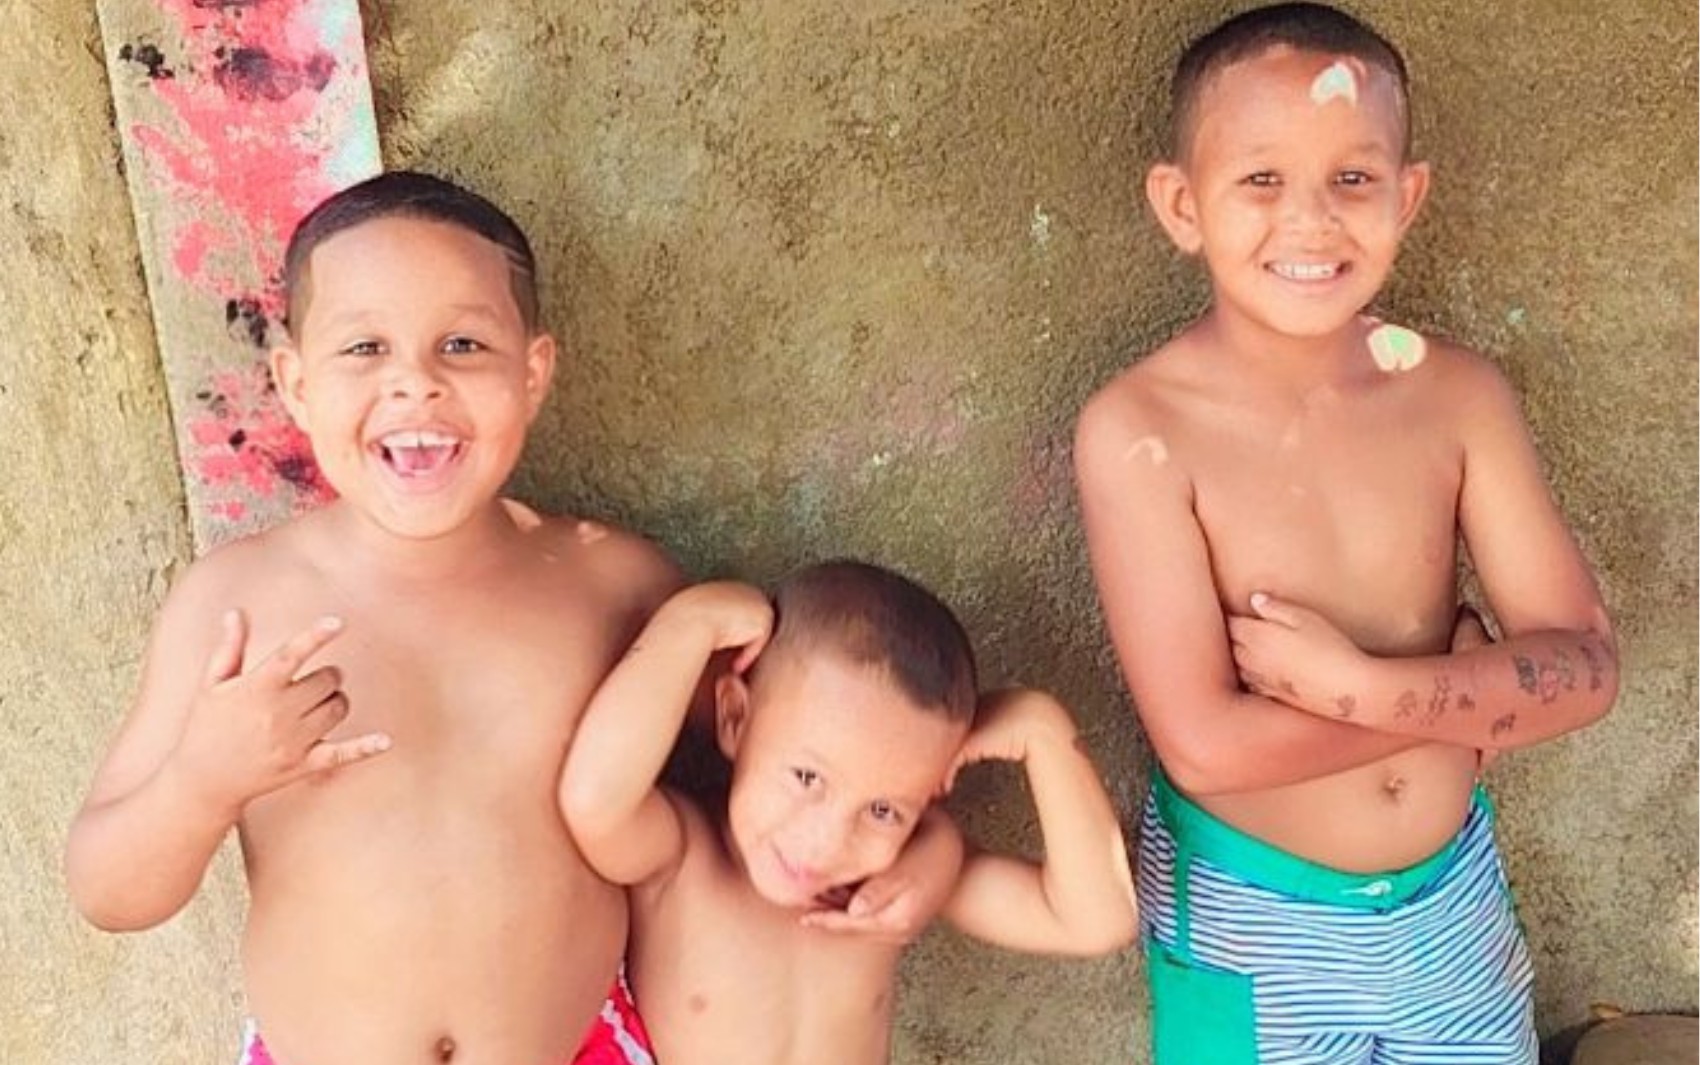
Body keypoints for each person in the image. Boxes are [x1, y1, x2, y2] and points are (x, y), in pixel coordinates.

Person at [1073, 4, 1619, 1063]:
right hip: (1250, 918)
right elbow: (1205, 748)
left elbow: (1587, 668)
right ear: (1181, 205)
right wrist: (1462, 702)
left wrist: (1360, 689)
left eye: (1353, 178)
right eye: (1260, 180)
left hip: (1448, 908)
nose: (1311, 221)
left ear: (1406, 196)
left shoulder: (1457, 398)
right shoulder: (1140, 430)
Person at [64, 170, 682, 1065]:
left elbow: (746, 801)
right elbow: (106, 889)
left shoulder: (612, 584)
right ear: (295, 382)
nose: (414, 384)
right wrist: (202, 780)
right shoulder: (238, 601)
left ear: (533, 372)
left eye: (463, 343)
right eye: (363, 348)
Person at [560, 561, 1137, 1065]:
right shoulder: (685, 859)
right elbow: (594, 802)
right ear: (734, 718)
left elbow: (1094, 921)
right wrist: (691, 624)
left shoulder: (887, 891)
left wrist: (1043, 734)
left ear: (932, 792)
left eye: (883, 810)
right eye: (807, 778)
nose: (826, 841)